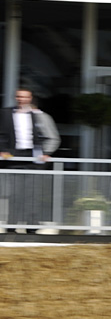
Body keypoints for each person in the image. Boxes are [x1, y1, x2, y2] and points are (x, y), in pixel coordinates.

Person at [0, 87, 61, 234]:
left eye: (25, 97)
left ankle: (32, 226)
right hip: (13, 158)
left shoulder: (40, 116)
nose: (22, 99)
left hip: (34, 158)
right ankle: (12, 225)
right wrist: (3, 151)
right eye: (19, 97)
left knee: (32, 193)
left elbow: (52, 137)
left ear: (30, 98)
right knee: (14, 193)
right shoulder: (6, 113)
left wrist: (46, 152)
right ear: (16, 97)